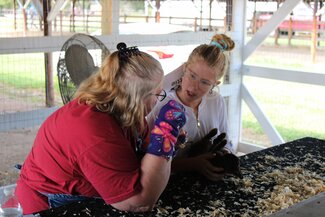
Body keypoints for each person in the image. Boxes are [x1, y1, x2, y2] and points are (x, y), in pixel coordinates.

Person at [15, 42, 186, 215]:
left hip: (82, 191)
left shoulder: (121, 107)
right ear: (134, 98)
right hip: (50, 203)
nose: (158, 100)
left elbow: (143, 146)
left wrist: (162, 142)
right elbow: (139, 203)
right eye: (156, 93)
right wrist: (164, 140)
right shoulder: (95, 132)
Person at [147, 33, 235, 182]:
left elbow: (226, 141)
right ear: (184, 68)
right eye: (192, 76)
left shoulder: (216, 101)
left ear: (215, 84)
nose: (194, 87)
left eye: (205, 82)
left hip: (205, 182)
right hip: (166, 184)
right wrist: (192, 164)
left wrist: (223, 157)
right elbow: (145, 159)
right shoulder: (161, 103)